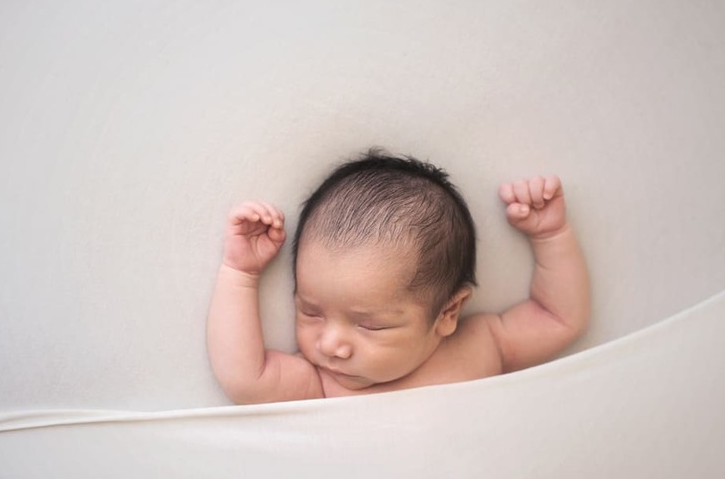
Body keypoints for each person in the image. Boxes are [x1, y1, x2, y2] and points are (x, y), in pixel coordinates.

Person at [207, 149, 590, 404]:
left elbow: (558, 319)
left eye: (370, 326)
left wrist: (550, 236)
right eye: (311, 312)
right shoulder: (324, 384)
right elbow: (245, 379)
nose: (331, 344)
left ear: (448, 313)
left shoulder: (481, 345)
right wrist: (240, 273)